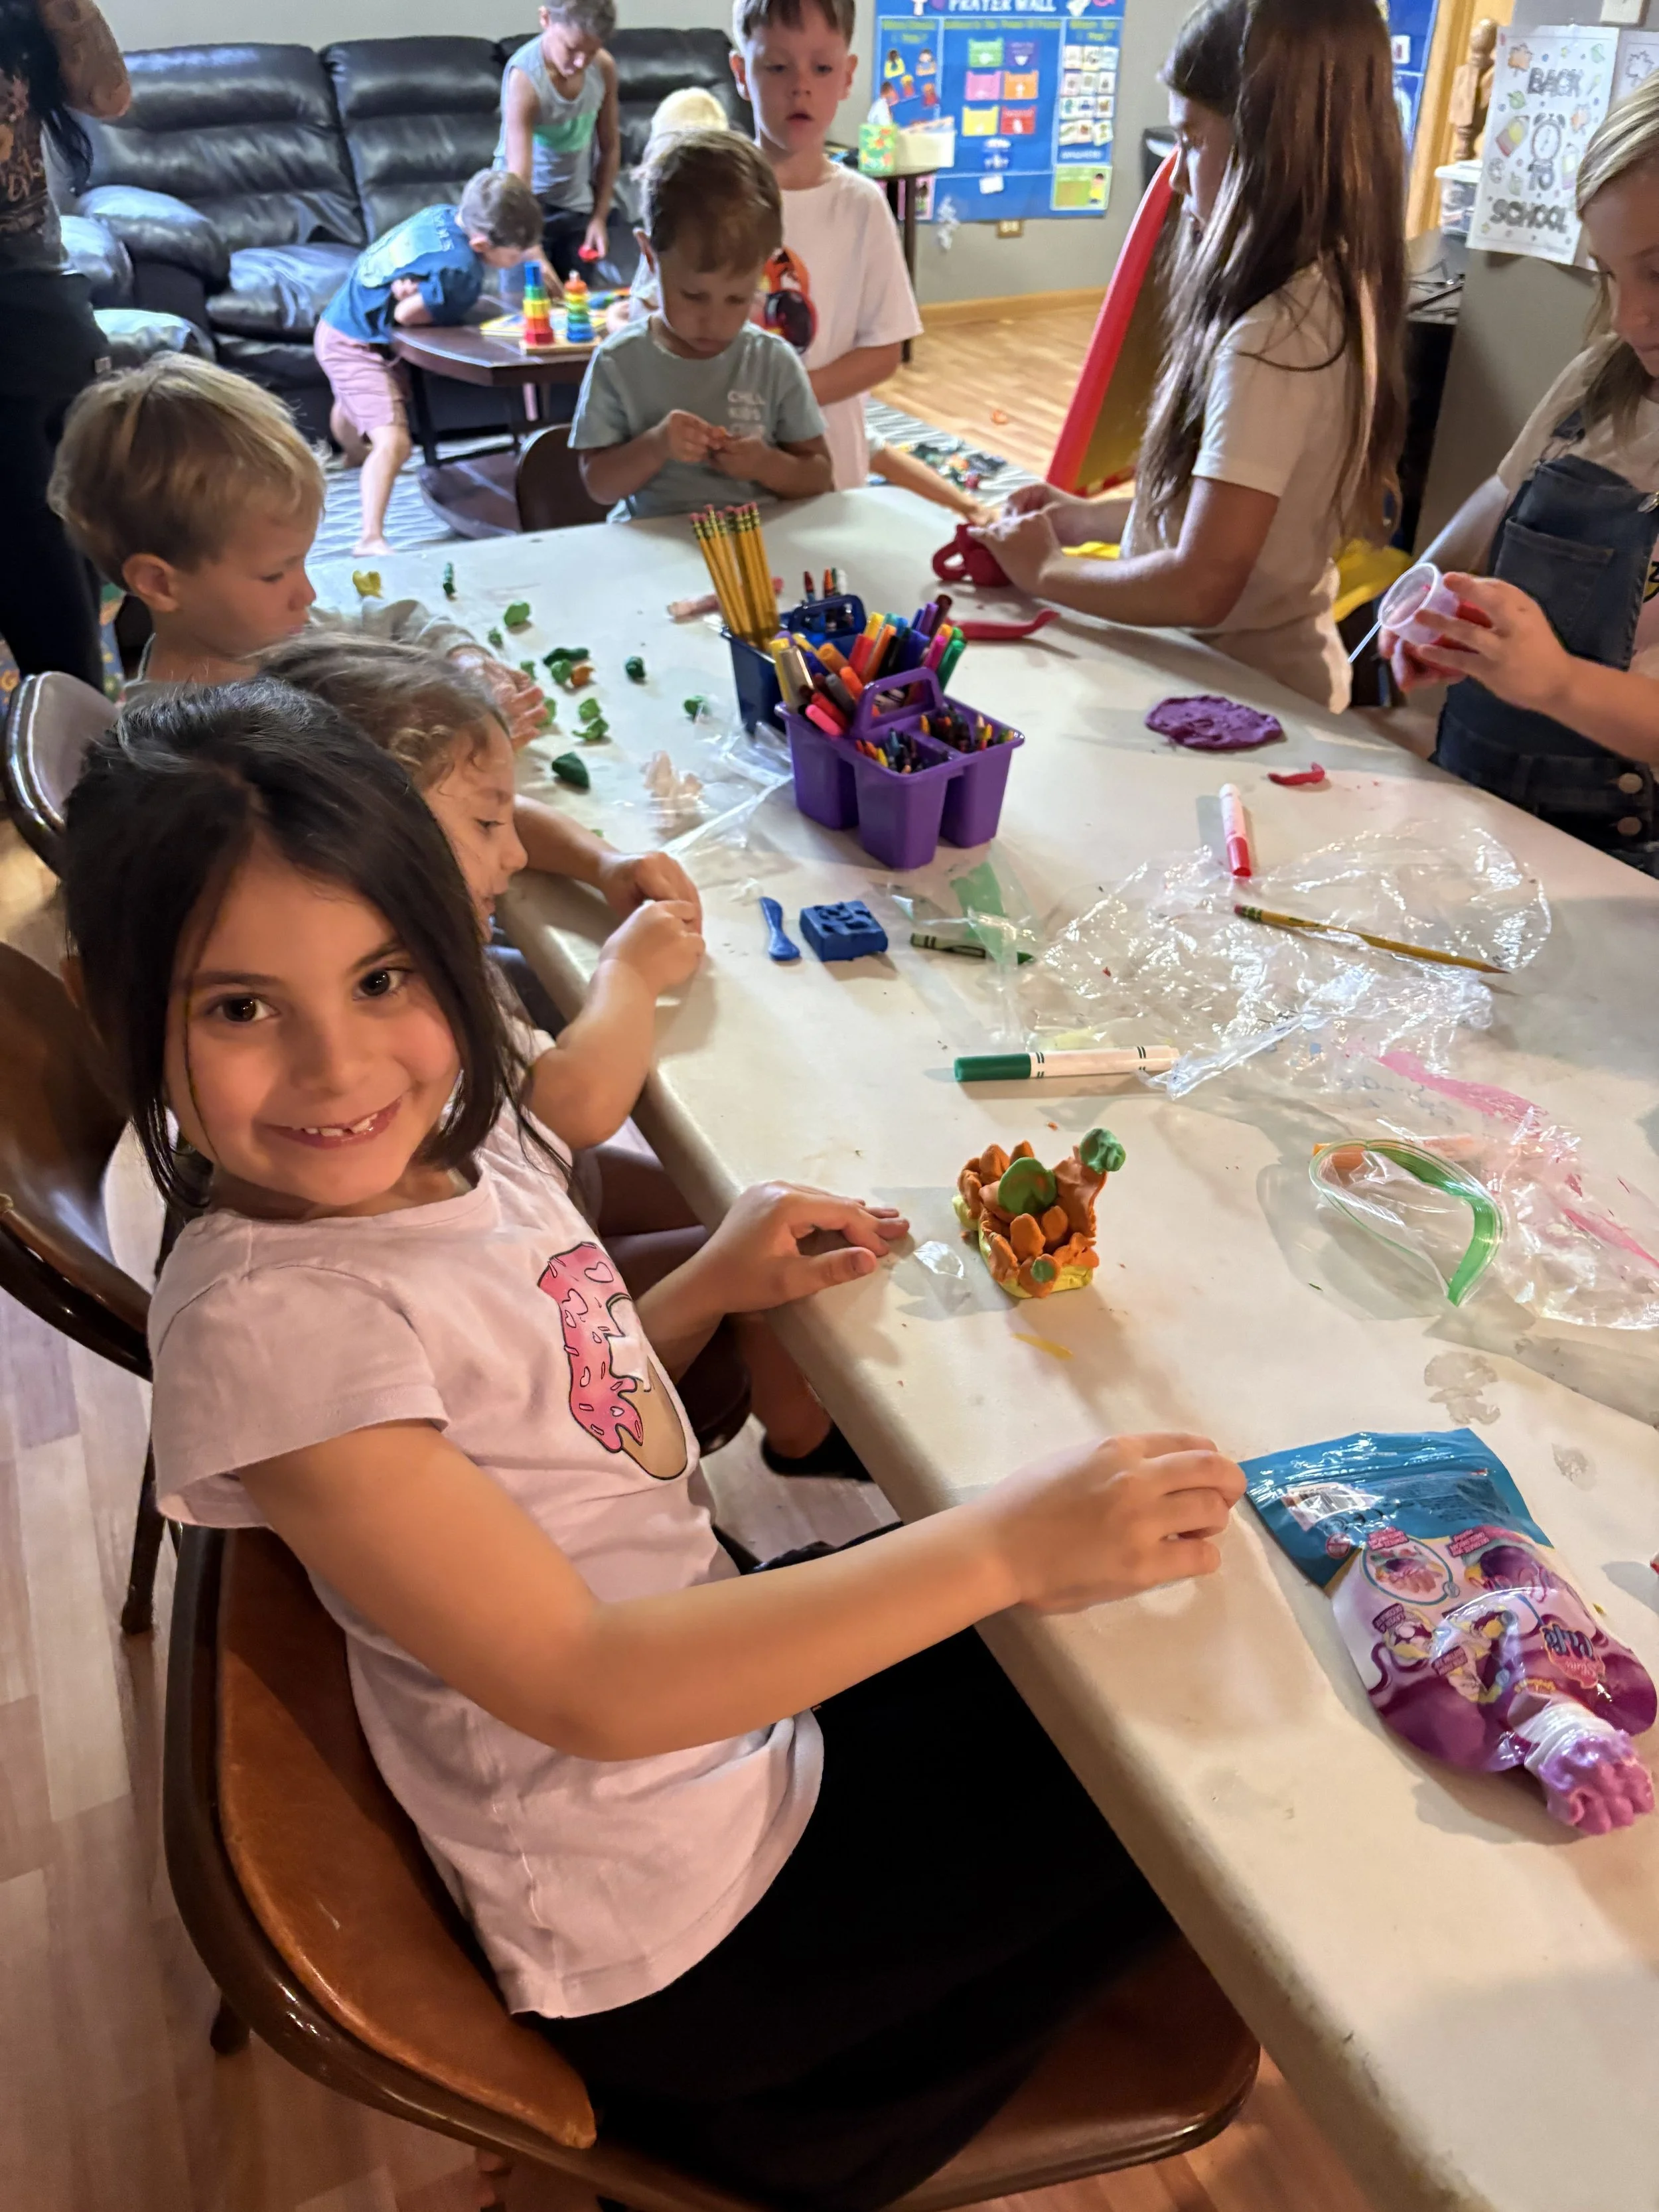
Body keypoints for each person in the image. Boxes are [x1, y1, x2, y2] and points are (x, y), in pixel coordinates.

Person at [60, 681, 1246, 2212]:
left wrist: (704, 1286)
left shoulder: (450, 1134)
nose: (340, 1070)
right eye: (238, 1007)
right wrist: (1008, 1544)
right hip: (691, 1949)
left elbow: (547, 1394)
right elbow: (588, 1684)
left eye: (381, 977)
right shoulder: (278, 1329)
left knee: (1129, 1652)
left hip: (730, 1750)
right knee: (1192, 1795)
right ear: (117, 1005)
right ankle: (785, 2151)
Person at [261, 630, 880, 1479]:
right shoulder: (387, 1047)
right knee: (772, 1240)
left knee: (747, 1202)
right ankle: (804, 1431)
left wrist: (600, 860)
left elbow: (501, 811)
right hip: (540, 1285)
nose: (511, 855)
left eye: (503, 817)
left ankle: (800, 1425)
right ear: (381, 844)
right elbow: (576, 1108)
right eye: (485, 826)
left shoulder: (376, 942)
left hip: (535, 1214)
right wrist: (624, 973)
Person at [976, 0, 1407, 712]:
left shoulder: (1278, 332)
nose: (1175, 179)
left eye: (1192, 142)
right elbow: (1224, 519)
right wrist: (1083, 522)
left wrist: (1046, 572)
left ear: (1274, 149)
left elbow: (1204, 580)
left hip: (1243, 702)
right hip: (1220, 686)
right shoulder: (1329, 290)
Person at [1382, 73, 1659, 869]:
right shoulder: (1598, 380)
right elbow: (1498, 501)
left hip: (1615, 866)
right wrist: (1420, 603)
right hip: (1476, 809)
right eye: (1609, 275)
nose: (1628, 316)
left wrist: (1555, 681)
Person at [47, 353, 542, 739]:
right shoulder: (182, 751)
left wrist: (466, 662)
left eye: (302, 562)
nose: (305, 593)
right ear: (159, 582)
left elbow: (394, 620)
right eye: (274, 573)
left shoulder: (273, 635)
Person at [571, 130, 832, 518]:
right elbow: (599, 485)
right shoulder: (618, 362)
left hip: (759, 551)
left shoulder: (772, 362)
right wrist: (656, 445)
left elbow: (820, 477)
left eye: (737, 299)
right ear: (651, 258)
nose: (714, 321)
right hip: (652, 549)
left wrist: (766, 465)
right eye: (693, 296)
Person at [729, 0, 924, 495]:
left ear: (847, 77)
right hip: (723, 480)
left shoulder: (862, 207)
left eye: (821, 67)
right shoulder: (710, 195)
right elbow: (653, 314)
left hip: (831, 476)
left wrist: (785, 401)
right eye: (777, 66)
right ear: (741, 73)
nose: (801, 86)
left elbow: (883, 351)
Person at [315, 169, 543, 555]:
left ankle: (355, 455)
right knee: (395, 441)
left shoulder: (441, 215)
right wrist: (429, 297)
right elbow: (408, 315)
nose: (520, 257)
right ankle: (370, 536)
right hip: (355, 344)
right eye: (517, 251)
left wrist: (417, 283)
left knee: (356, 403)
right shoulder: (462, 273)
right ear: (482, 242)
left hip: (335, 325)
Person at [0, 0, 127, 688]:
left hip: (39, 308)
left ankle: (82, 764)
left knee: (70, 569)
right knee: (47, 592)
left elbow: (107, 96)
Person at [496, 0, 622, 289]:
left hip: (576, 209)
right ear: (545, 19)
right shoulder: (526, 79)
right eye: (572, 49)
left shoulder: (603, 68)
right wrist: (531, 247)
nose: (580, 62)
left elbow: (610, 147)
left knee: (580, 314)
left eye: (590, 52)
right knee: (527, 316)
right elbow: (519, 177)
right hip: (521, 210)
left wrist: (598, 219)